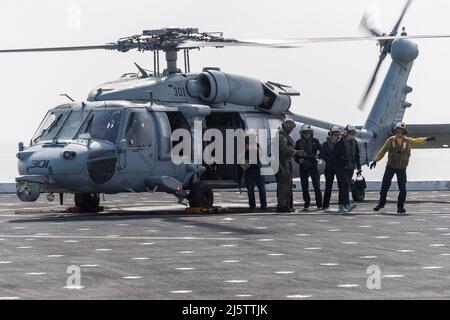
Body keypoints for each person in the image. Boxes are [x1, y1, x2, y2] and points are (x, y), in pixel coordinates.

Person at [370, 122, 436, 214]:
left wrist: (427, 139)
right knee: (384, 186)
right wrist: (375, 160)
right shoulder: (390, 140)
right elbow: (383, 151)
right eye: (397, 130)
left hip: (402, 168)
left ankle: (400, 207)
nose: (398, 132)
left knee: (402, 189)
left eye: (400, 131)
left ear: (403, 131)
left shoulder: (408, 141)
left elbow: (417, 140)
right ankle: (381, 204)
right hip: (390, 167)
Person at [333, 125, 362, 214]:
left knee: (344, 187)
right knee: (345, 185)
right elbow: (335, 156)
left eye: (353, 133)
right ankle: (347, 204)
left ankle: (341, 206)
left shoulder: (355, 142)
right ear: (346, 133)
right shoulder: (340, 142)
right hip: (340, 168)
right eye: (350, 133)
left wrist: (359, 167)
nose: (352, 135)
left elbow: (357, 156)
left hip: (350, 168)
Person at [294, 124, 323, 211]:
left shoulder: (316, 141)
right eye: (305, 133)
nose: (307, 135)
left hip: (313, 165)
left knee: (316, 185)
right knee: (304, 186)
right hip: (303, 166)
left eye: (309, 133)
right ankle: (306, 203)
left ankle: (319, 204)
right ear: (302, 133)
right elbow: (295, 155)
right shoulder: (298, 143)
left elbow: (322, 152)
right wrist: (299, 160)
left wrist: (317, 157)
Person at [276, 119, 299, 213]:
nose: (292, 130)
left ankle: (286, 205)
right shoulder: (281, 137)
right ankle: (282, 206)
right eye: (291, 128)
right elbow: (284, 149)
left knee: (288, 185)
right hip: (282, 163)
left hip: (286, 162)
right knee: (283, 185)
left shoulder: (284, 136)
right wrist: (295, 151)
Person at [241, 134, 268, 211]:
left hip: (257, 168)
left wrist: (253, 148)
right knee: (250, 189)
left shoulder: (257, 145)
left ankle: (264, 205)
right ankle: (252, 206)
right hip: (248, 169)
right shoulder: (243, 146)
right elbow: (239, 156)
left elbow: (261, 154)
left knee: (262, 188)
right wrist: (245, 149)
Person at [320, 126, 341, 210]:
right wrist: (331, 160)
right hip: (329, 167)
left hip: (338, 168)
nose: (336, 136)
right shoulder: (325, 144)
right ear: (331, 135)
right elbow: (322, 155)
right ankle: (325, 204)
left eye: (337, 135)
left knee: (341, 186)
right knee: (328, 187)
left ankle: (341, 204)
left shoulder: (340, 144)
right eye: (335, 135)